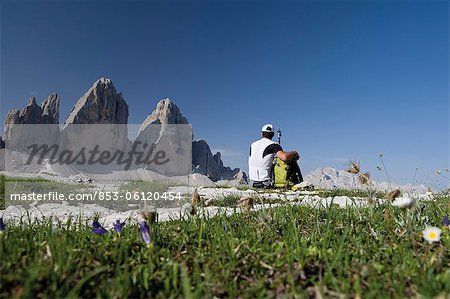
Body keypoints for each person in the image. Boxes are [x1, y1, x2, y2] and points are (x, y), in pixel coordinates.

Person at [248, 124, 299, 188]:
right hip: (264, 183)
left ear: (262, 133)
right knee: (291, 159)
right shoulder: (274, 145)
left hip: (251, 182)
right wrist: (294, 153)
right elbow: (284, 157)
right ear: (273, 134)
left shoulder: (252, 144)